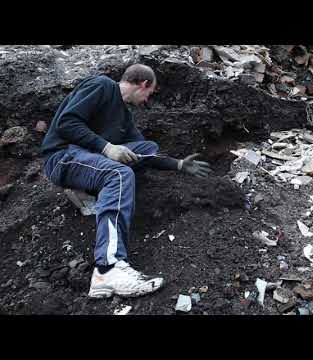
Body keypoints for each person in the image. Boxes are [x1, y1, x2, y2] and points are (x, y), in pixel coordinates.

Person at [41, 64, 212, 298]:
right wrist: (107, 147)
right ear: (144, 84)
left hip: (90, 159)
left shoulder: (125, 118)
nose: (146, 101)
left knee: (147, 147)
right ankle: (108, 269)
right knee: (119, 174)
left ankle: (89, 192)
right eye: (149, 94)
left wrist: (178, 164)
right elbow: (66, 123)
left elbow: (146, 154)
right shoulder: (102, 86)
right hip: (63, 156)